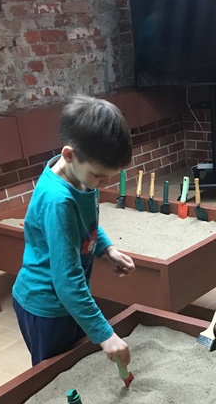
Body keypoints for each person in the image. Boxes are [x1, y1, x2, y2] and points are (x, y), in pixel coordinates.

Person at [12, 94, 135, 368]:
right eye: (98, 176)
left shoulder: (79, 177)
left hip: (68, 301)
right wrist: (106, 335)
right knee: (53, 373)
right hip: (46, 306)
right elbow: (67, 281)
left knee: (76, 360)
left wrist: (107, 249)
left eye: (108, 177)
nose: (102, 184)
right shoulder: (58, 202)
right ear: (69, 154)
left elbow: (85, 224)